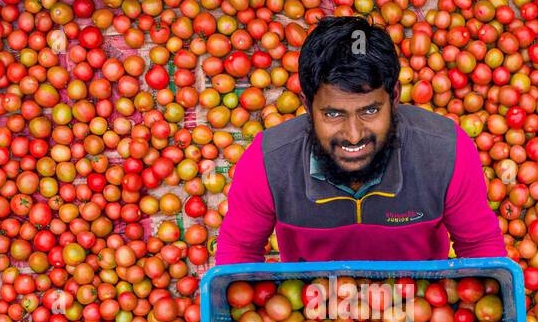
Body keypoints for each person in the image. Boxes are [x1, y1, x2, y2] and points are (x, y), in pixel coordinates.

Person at [213, 15, 506, 264]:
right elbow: (238, 255)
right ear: (307, 105)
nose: (353, 135)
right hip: (315, 308)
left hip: (419, 303)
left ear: (394, 98)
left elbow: (481, 248)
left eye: (369, 110)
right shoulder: (267, 163)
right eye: (333, 114)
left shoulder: (447, 152)